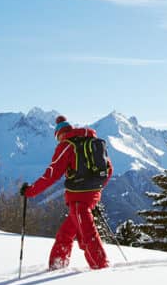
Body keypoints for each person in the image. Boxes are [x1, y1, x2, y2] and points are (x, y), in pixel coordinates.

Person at [20, 115, 112, 270]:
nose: (59, 141)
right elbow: (109, 170)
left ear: (60, 134)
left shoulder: (67, 146)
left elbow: (52, 174)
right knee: (66, 234)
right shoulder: (92, 142)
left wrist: (30, 191)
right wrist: (96, 189)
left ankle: (101, 268)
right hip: (91, 196)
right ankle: (57, 265)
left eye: (58, 138)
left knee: (88, 235)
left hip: (78, 198)